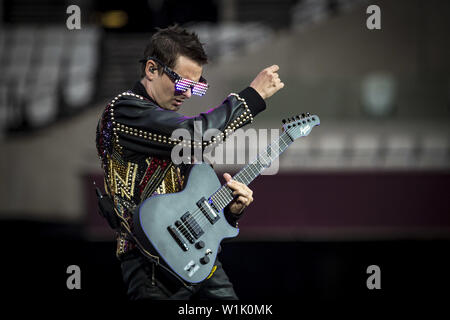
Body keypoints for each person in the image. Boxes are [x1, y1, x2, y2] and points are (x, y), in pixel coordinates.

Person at [95, 25, 284, 300]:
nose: (188, 94)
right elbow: (196, 134)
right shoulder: (124, 110)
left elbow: (191, 201)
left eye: (196, 87)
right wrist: (251, 97)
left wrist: (230, 211)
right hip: (150, 263)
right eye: (183, 84)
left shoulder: (169, 128)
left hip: (198, 256)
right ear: (151, 69)